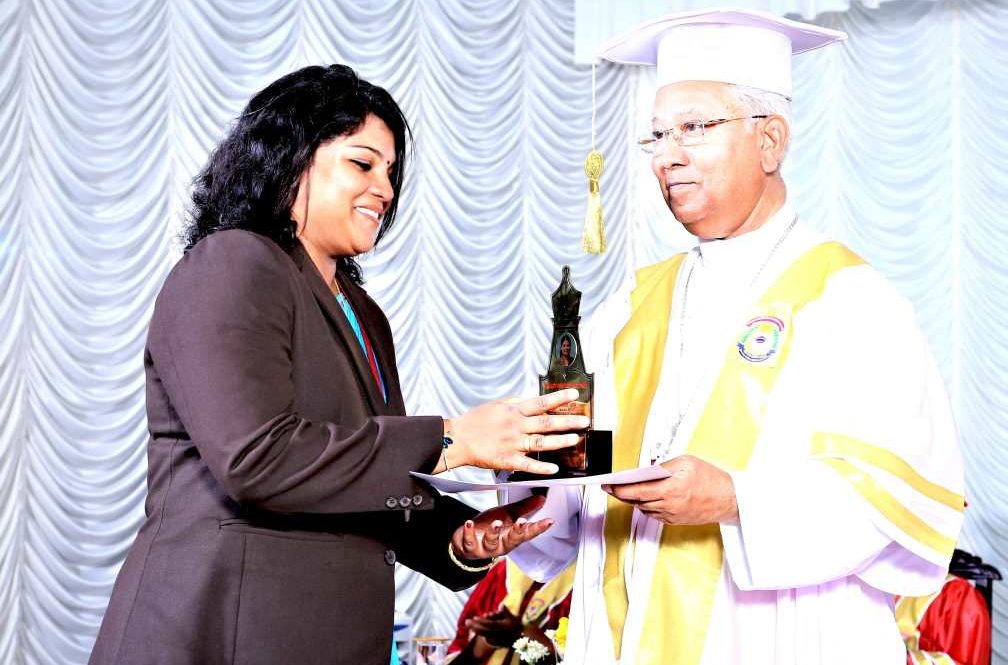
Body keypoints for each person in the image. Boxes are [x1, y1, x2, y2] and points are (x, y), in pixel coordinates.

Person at [506, 9, 965, 665]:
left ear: (770, 140)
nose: (668, 156)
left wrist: (735, 499)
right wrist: (524, 472)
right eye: (658, 135)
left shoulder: (851, 301)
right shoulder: (630, 307)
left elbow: (899, 495)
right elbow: (582, 478)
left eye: (695, 128)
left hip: (780, 637)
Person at [88, 64, 588, 665]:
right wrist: (451, 440)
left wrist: (459, 538)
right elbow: (257, 459)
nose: (385, 189)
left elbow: (353, 473)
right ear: (289, 161)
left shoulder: (364, 314)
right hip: (219, 635)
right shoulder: (232, 263)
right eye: (362, 163)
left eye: (391, 172)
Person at [445, 558, 575, 665]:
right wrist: (488, 639)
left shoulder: (582, 580)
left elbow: (578, 655)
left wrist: (520, 632)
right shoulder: (502, 570)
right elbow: (463, 643)